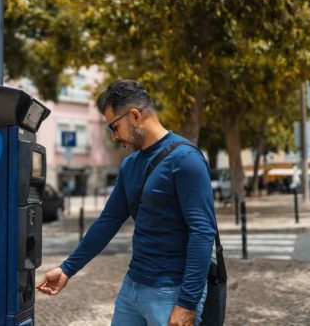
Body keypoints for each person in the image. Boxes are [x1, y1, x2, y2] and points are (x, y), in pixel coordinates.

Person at [36, 80, 217, 326]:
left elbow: (202, 232)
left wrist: (187, 303)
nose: (114, 136)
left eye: (115, 126)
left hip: (171, 292)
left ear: (134, 116)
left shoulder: (185, 159)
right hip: (132, 288)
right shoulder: (130, 164)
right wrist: (68, 269)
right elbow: (108, 221)